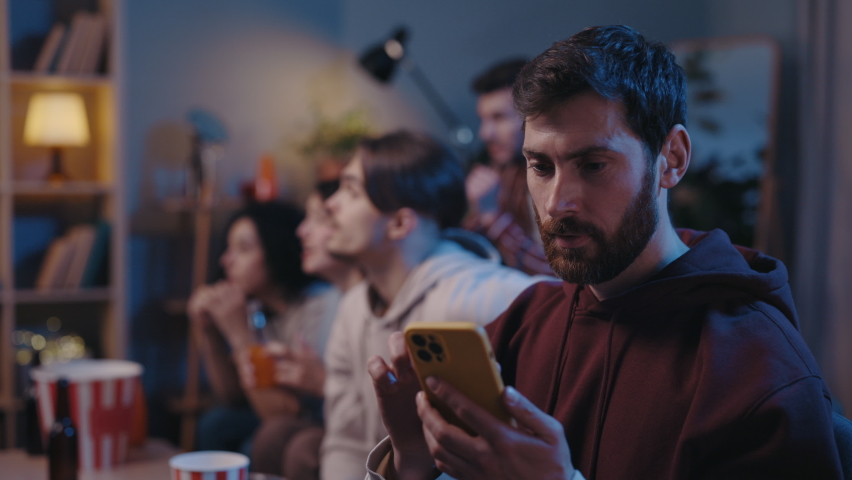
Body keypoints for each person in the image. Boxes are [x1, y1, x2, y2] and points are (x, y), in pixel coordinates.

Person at [365, 25, 842, 480]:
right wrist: (413, 459)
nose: (556, 203)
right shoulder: (525, 322)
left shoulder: (757, 371)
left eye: (593, 165)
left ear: (671, 159)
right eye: (540, 166)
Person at [320, 131, 550, 480]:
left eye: (351, 191)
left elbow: (556, 300)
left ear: (399, 223)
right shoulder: (353, 307)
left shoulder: (478, 295)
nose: (330, 204)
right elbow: (345, 443)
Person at [188, 201, 338, 475]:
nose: (226, 261)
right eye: (229, 248)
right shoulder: (258, 308)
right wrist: (208, 332)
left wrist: (239, 335)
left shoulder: (319, 306)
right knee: (216, 422)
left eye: (243, 249)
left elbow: (280, 414)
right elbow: (232, 397)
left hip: (315, 419)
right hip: (277, 414)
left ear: (276, 250)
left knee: (253, 442)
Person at [245, 181, 365, 480]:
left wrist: (323, 382)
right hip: (331, 422)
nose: (302, 231)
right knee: (272, 434)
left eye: (319, 218)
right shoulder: (337, 298)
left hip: (369, 435)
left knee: (300, 447)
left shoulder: (341, 302)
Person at [464, 58, 552, 276]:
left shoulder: (555, 178)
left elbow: (558, 276)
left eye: (499, 117)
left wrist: (492, 217)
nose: (485, 134)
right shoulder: (506, 168)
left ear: (535, 114)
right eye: (483, 120)